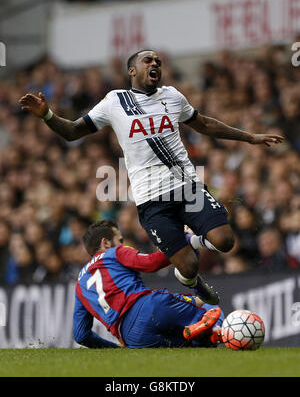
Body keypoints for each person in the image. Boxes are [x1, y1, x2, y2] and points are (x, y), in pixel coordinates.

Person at [19, 50, 284, 304]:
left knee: (225, 242)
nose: (155, 63)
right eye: (148, 60)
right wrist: (47, 115)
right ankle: (192, 277)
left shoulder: (172, 96)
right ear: (132, 70)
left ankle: (191, 239)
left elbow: (204, 124)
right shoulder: (115, 101)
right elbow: (73, 131)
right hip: (151, 200)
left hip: (187, 187)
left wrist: (249, 137)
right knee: (189, 266)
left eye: (158, 60)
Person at [73, 220, 224, 349]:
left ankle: (204, 334)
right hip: (149, 308)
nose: (122, 244)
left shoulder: (80, 285)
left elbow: (81, 335)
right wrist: (179, 240)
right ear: (105, 243)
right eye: (120, 240)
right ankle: (219, 329)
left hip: (132, 337)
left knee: (194, 347)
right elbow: (152, 263)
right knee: (209, 304)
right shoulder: (114, 253)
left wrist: (116, 349)